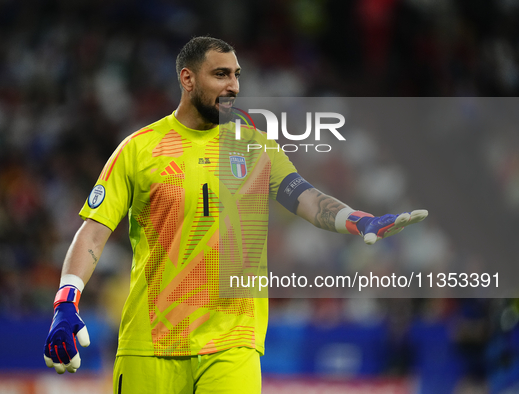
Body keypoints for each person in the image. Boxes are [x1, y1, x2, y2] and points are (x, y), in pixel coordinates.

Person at [43, 36, 428, 393]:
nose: (233, 86)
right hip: (150, 342)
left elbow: (304, 198)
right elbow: (92, 233)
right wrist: (65, 302)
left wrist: (357, 220)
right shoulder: (138, 150)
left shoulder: (255, 147)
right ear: (188, 79)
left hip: (233, 341)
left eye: (236, 75)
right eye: (221, 74)